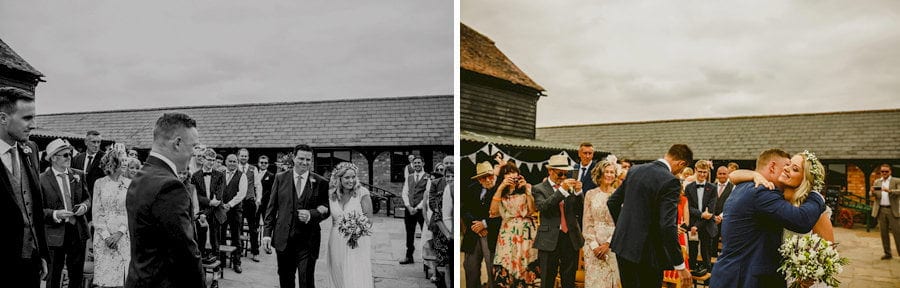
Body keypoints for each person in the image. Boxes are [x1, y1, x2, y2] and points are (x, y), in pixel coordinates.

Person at [710, 149, 825, 288]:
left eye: (793, 168)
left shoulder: (745, 186)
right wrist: (816, 193)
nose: (787, 170)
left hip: (730, 276)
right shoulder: (762, 191)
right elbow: (802, 220)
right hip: (744, 279)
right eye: (786, 166)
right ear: (772, 167)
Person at [125, 112, 204, 287]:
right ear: (177, 143)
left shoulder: (141, 176)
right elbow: (186, 253)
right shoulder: (169, 187)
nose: (194, 153)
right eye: (194, 146)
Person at [607, 144, 694, 288]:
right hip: (650, 253)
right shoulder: (671, 181)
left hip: (624, 247)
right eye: (682, 169)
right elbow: (667, 225)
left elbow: (612, 202)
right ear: (681, 163)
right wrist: (680, 266)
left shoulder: (635, 170)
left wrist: (627, 229)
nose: (679, 172)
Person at [1, 87, 50, 287]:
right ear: (3, 118)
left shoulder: (31, 150)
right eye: (27, 118)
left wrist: (42, 254)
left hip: (30, 262)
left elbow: (34, 208)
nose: (34, 125)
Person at [263, 144, 330, 288]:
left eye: (308, 159)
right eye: (301, 158)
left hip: (308, 241)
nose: (305, 163)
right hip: (283, 238)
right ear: (294, 158)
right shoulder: (280, 178)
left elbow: (326, 209)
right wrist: (267, 234)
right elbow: (271, 207)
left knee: (306, 281)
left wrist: (312, 214)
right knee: (285, 279)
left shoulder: (321, 182)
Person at [40, 139, 90, 288]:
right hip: (55, 233)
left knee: (76, 276)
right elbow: (37, 210)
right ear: (53, 158)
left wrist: (84, 207)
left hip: (77, 231)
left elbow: (88, 198)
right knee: (53, 275)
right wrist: (55, 214)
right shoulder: (41, 180)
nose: (70, 157)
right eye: (65, 155)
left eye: (70, 154)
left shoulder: (78, 175)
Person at [533, 154, 584, 288]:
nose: (563, 177)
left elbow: (581, 210)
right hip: (549, 238)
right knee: (547, 278)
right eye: (560, 174)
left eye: (565, 174)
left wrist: (579, 193)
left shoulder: (570, 187)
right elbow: (544, 207)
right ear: (550, 171)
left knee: (568, 279)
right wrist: (562, 190)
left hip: (570, 237)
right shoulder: (539, 188)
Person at [490, 162, 539, 287]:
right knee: (507, 261)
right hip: (508, 231)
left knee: (525, 261)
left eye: (513, 172)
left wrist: (528, 191)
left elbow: (532, 209)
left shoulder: (527, 187)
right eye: (507, 173)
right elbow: (493, 212)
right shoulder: (500, 190)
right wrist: (501, 188)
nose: (511, 175)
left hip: (526, 231)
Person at [326, 162, 374, 287]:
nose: (351, 180)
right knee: (337, 269)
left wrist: (357, 230)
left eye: (353, 177)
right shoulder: (332, 194)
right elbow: (333, 220)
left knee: (354, 272)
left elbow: (369, 219)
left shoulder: (362, 192)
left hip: (357, 241)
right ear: (339, 178)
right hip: (336, 239)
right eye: (347, 177)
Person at [93, 148, 132, 287]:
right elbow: (97, 212)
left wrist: (119, 233)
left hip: (123, 236)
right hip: (103, 238)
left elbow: (130, 211)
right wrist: (106, 236)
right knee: (105, 281)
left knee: (121, 280)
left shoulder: (130, 184)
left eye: (126, 160)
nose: (125, 163)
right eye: (122, 160)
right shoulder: (99, 183)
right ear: (112, 163)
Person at [582, 160, 620, 287]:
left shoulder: (619, 195)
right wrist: (594, 246)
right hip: (593, 246)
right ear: (600, 174)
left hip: (613, 244)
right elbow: (587, 222)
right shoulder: (590, 194)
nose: (609, 175)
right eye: (606, 172)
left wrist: (608, 244)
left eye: (612, 172)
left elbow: (620, 223)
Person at [462, 161, 499, 288]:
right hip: (473, 234)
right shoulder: (471, 189)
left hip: (492, 234)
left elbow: (503, 213)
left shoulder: (500, 189)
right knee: (470, 268)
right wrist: (476, 226)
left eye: (490, 175)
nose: (488, 179)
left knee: (492, 269)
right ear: (479, 179)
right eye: (484, 177)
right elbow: (464, 209)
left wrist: (485, 224)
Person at [190, 148, 226, 264]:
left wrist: (208, 210)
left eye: (213, 160)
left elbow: (218, 198)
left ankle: (216, 275)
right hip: (201, 212)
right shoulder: (195, 176)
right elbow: (197, 196)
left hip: (215, 212)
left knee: (215, 242)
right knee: (200, 241)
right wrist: (209, 203)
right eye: (209, 159)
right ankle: (201, 271)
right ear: (203, 159)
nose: (211, 162)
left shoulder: (220, 175)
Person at [684, 160, 717, 275]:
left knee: (706, 254)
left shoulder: (712, 188)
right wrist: (701, 215)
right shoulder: (688, 188)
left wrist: (697, 226)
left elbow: (710, 211)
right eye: (700, 172)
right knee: (692, 254)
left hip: (706, 226)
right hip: (692, 224)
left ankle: (708, 281)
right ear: (695, 171)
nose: (702, 175)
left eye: (705, 172)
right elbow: (689, 208)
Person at [219, 154, 248, 273]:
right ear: (226, 162)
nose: (232, 163)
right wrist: (221, 204)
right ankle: (221, 261)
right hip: (221, 209)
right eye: (230, 161)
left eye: (234, 161)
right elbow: (216, 190)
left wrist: (229, 205)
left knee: (236, 237)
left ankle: (237, 262)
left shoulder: (242, 176)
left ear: (237, 163)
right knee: (221, 235)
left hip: (235, 210)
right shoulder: (220, 174)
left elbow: (242, 194)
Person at [428, 156, 454, 288]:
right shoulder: (436, 184)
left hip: (453, 231)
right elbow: (432, 205)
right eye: (448, 176)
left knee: (451, 264)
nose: (450, 179)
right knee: (442, 263)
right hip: (441, 230)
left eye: (452, 176)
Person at [400, 155, 428, 264]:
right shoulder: (409, 177)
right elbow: (404, 193)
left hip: (421, 210)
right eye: (415, 163)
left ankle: (426, 259)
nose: (417, 165)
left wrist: (417, 208)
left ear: (423, 163)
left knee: (425, 233)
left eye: (419, 163)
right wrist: (408, 206)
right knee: (409, 233)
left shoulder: (428, 177)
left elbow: (427, 195)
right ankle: (409, 256)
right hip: (409, 209)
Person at [237, 148, 263, 262]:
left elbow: (258, 185)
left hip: (249, 201)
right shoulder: (235, 168)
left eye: (245, 156)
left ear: (248, 157)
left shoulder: (253, 169)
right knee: (238, 226)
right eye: (242, 156)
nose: (243, 158)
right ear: (238, 156)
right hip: (237, 202)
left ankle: (254, 252)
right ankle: (240, 249)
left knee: (253, 228)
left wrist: (258, 199)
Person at [871, 164, 900, 260]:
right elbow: (872, 194)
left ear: (890, 171)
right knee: (883, 233)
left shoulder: (896, 180)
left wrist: (890, 191)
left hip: (893, 210)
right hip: (881, 210)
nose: (884, 173)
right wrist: (872, 192)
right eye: (882, 171)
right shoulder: (877, 181)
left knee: (897, 233)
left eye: (886, 171)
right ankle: (887, 253)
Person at [72, 130, 105, 197]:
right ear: (86, 142)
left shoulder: (105, 159)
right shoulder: (77, 159)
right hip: (80, 199)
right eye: (93, 142)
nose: (96, 145)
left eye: (98, 142)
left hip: (98, 197)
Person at [711, 166, 734, 254]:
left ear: (728, 175)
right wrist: (714, 216)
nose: (722, 176)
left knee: (725, 243)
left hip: (726, 220)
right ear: (717, 174)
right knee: (711, 243)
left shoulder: (733, 188)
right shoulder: (712, 186)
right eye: (720, 174)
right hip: (712, 219)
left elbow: (732, 204)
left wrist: (721, 216)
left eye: (724, 174)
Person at [256, 155, 276, 254]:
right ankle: (255, 245)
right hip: (256, 204)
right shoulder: (255, 174)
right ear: (258, 163)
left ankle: (267, 246)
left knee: (267, 224)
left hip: (266, 204)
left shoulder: (271, 175)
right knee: (254, 224)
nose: (263, 164)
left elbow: (272, 191)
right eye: (261, 162)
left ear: (268, 164)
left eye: (265, 163)